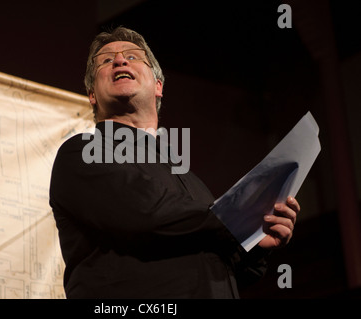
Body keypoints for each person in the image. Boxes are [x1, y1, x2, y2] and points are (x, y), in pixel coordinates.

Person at [49, 27, 300, 298]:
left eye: (133, 57)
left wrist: (257, 237)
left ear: (158, 86)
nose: (120, 61)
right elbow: (147, 213)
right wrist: (239, 216)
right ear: (92, 94)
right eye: (107, 60)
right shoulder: (81, 153)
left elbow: (234, 269)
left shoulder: (190, 182)